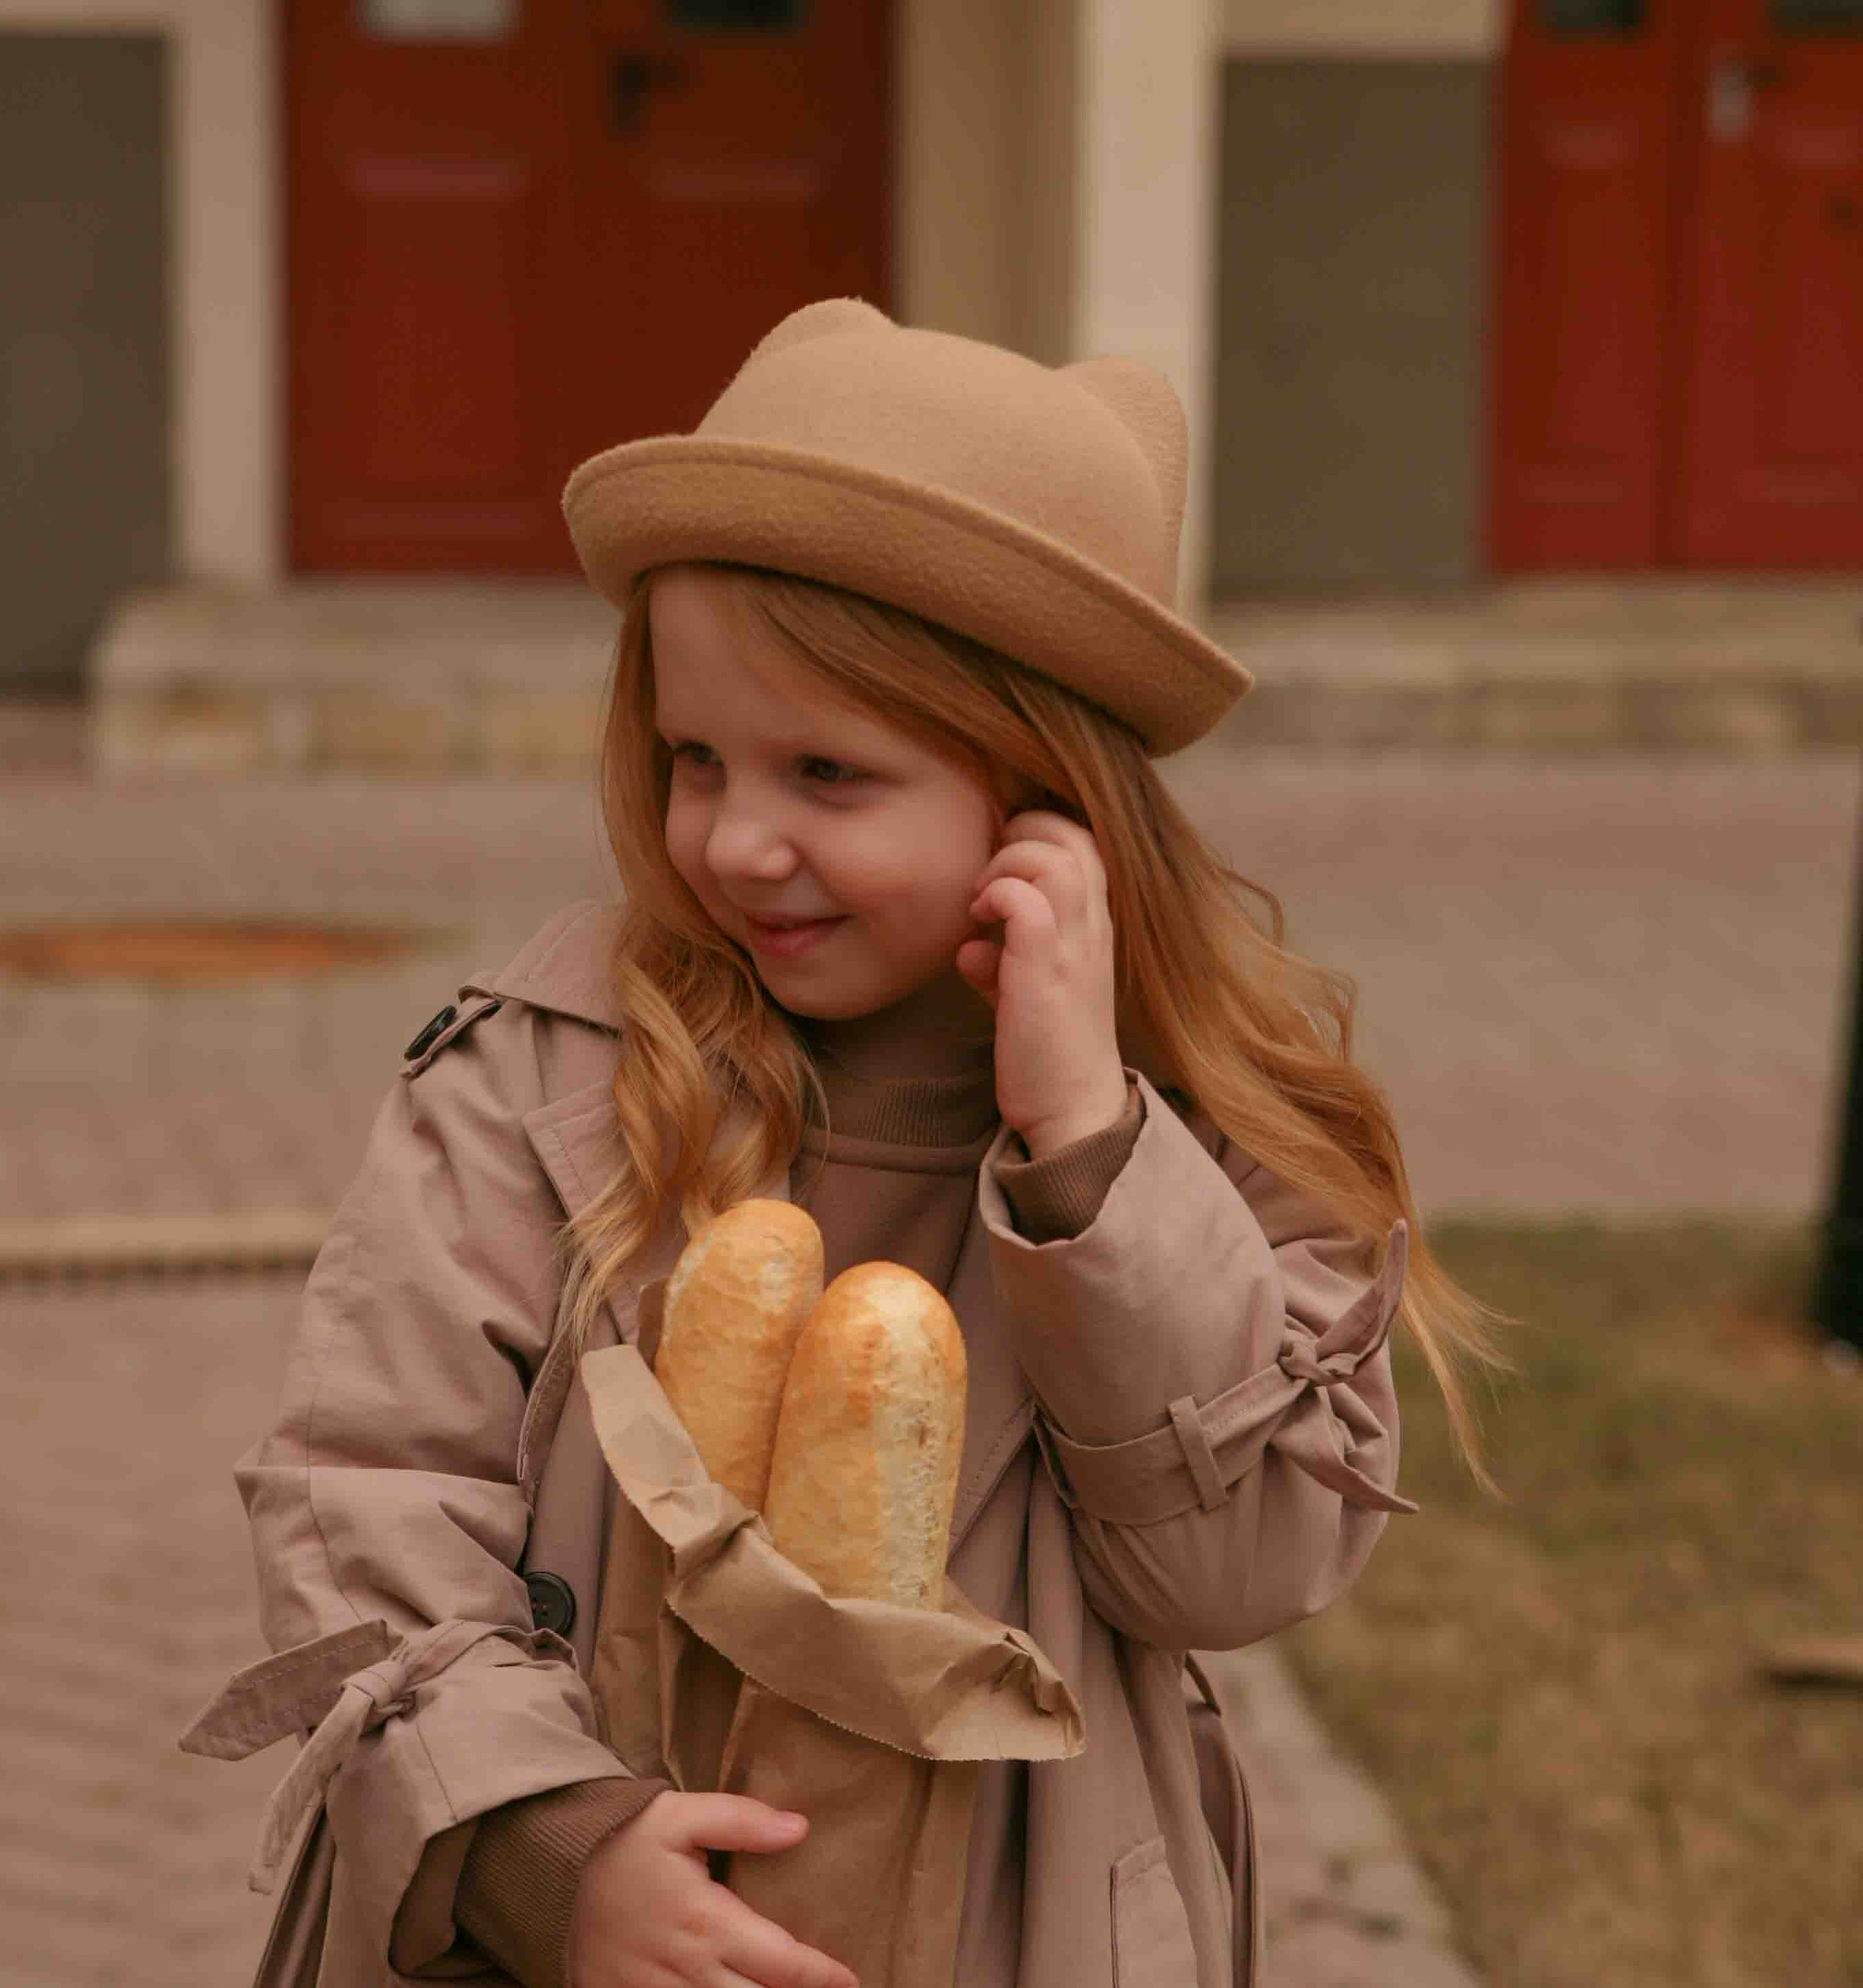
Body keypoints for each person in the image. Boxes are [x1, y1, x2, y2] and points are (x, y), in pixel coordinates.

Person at [193, 297, 1510, 1988]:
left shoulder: (1203, 1141)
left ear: (1047, 794)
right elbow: (366, 1491)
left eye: (826, 770)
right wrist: (543, 1850)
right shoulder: (545, 1081)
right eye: (694, 758)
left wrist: (1088, 1150)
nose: (737, 839)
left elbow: (1230, 1566)